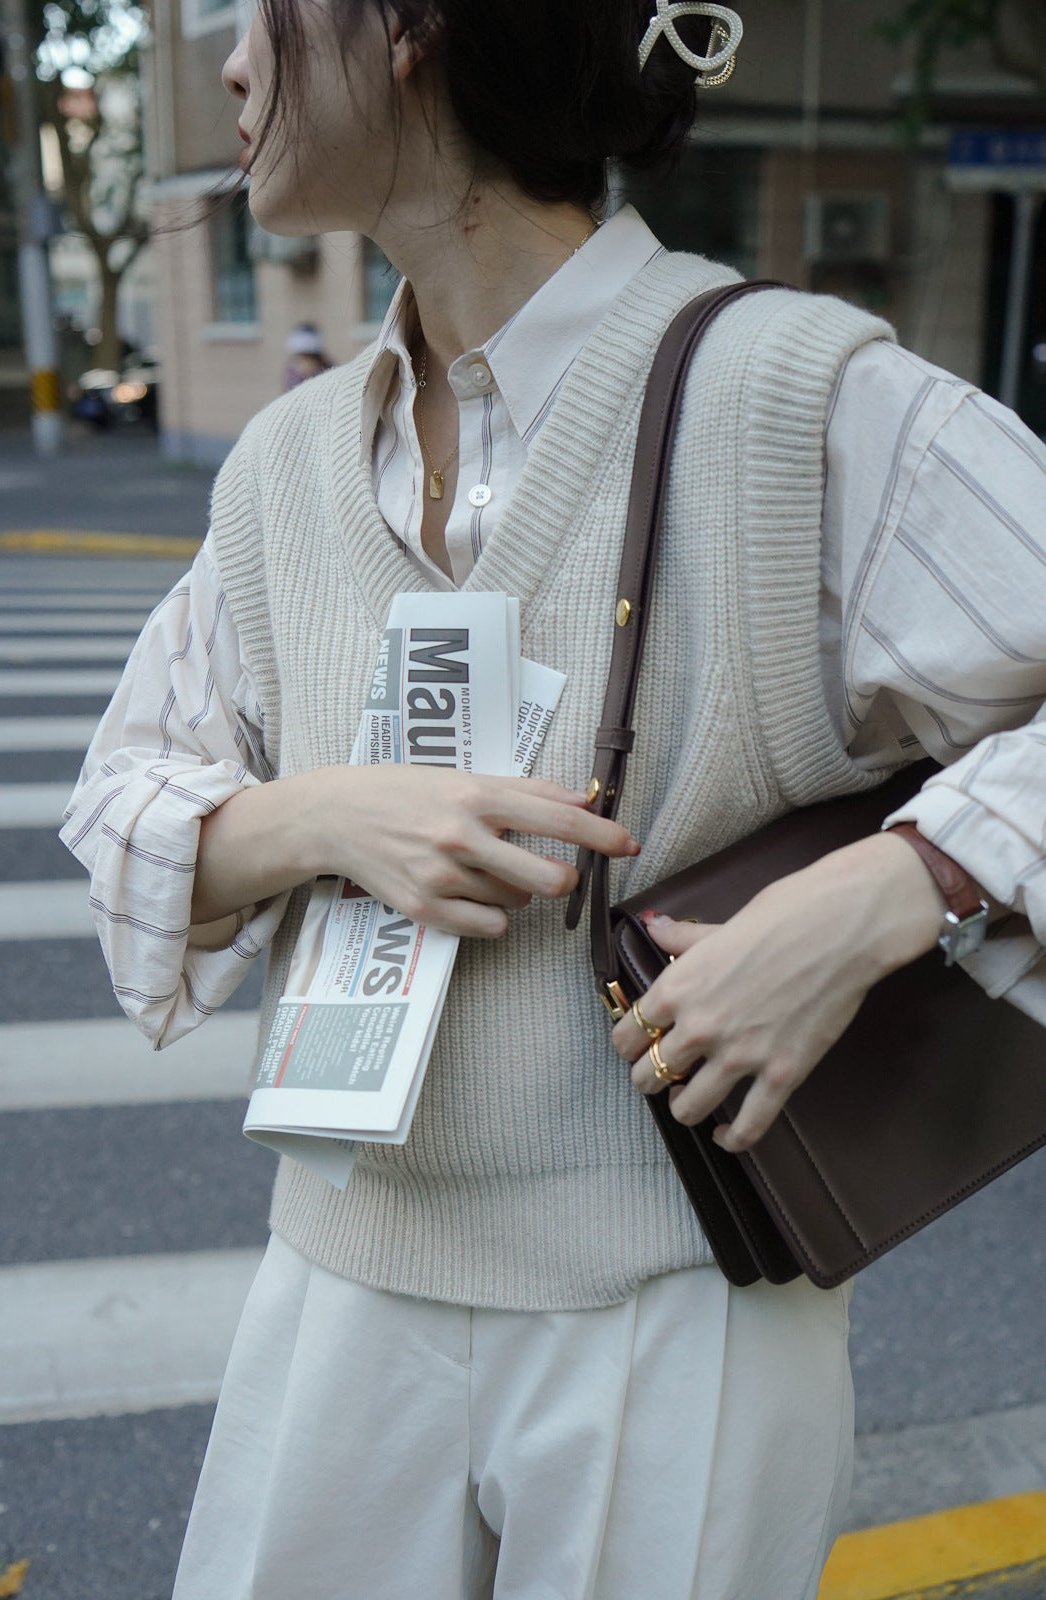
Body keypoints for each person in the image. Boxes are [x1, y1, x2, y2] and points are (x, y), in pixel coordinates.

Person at [60, 2, 1046, 1596]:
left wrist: (888, 888)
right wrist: (320, 817)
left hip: (685, 1302)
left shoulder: (792, 396)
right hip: (340, 1281)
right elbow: (124, 797)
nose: (234, 65)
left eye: (263, 14)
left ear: (408, 29)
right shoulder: (285, 466)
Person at [282, 321, 332, 389]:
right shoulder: (292, 377)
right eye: (300, 361)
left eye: (309, 359)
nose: (305, 365)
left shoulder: (329, 374)